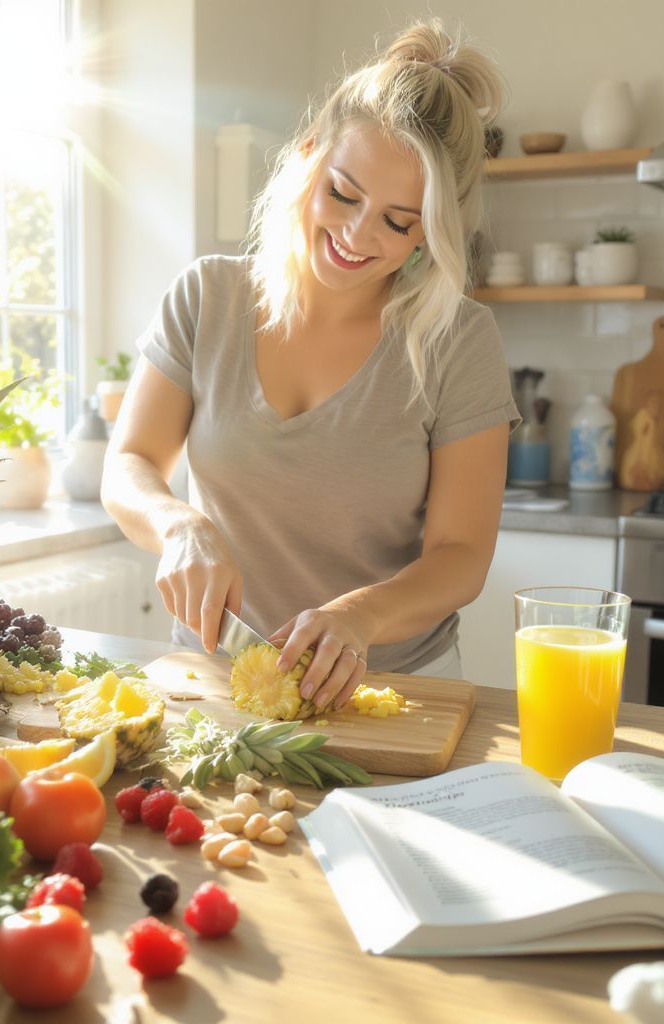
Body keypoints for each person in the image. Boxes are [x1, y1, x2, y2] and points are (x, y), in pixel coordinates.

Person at [101, 20, 519, 713]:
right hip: (217, 677)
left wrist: (359, 617)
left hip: (393, 691)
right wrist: (178, 526)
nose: (356, 235)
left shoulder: (459, 341)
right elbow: (130, 463)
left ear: (431, 230)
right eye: (344, 194)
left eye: (398, 221)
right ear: (307, 156)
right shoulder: (207, 296)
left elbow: (460, 556)